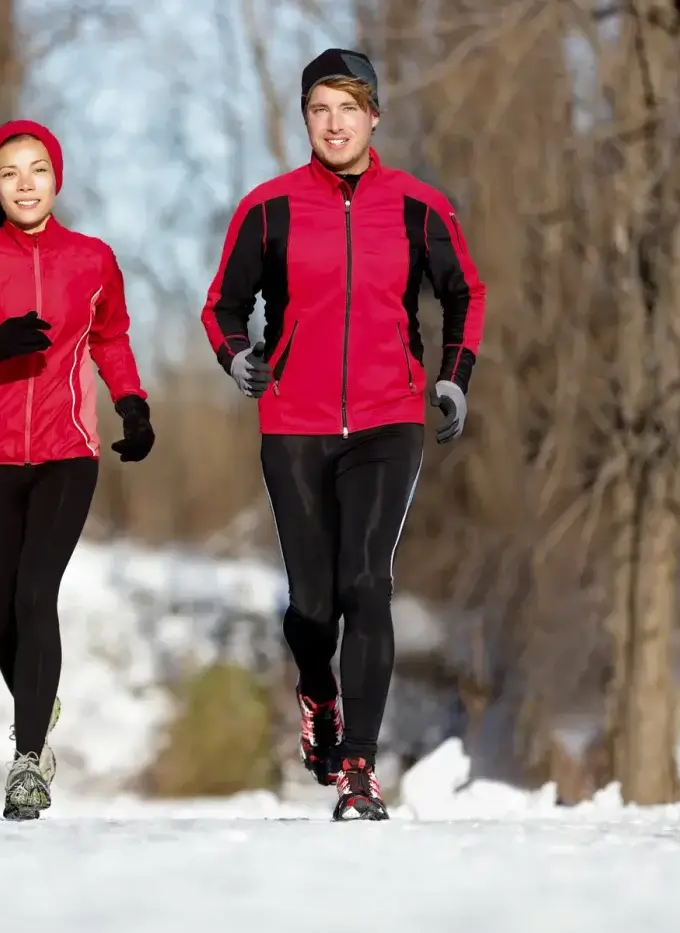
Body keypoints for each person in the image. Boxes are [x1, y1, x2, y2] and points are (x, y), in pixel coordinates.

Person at [199, 49, 486, 821]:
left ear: (374, 116)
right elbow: (222, 306)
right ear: (306, 119)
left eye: (348, 108)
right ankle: (317, 693)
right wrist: (239, 360)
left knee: (368, 581)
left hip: (388, 418)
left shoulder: (418, 206)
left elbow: (464, 291)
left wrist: (453, 376)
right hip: (294, 421)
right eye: (320, 109)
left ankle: (359, 767)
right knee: (315, 605)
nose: (334, 123)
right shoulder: (271, 209)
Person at [0, 119, 155, 820]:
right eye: (10, 172)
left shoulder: (93, 259)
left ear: (57, 178)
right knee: (1, 614)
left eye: (37, 169)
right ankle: (37, 696)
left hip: (67, 452)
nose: (25, 183)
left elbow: (112, 337)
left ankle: (27, 759)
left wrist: (132, 405)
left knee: (35, 592)